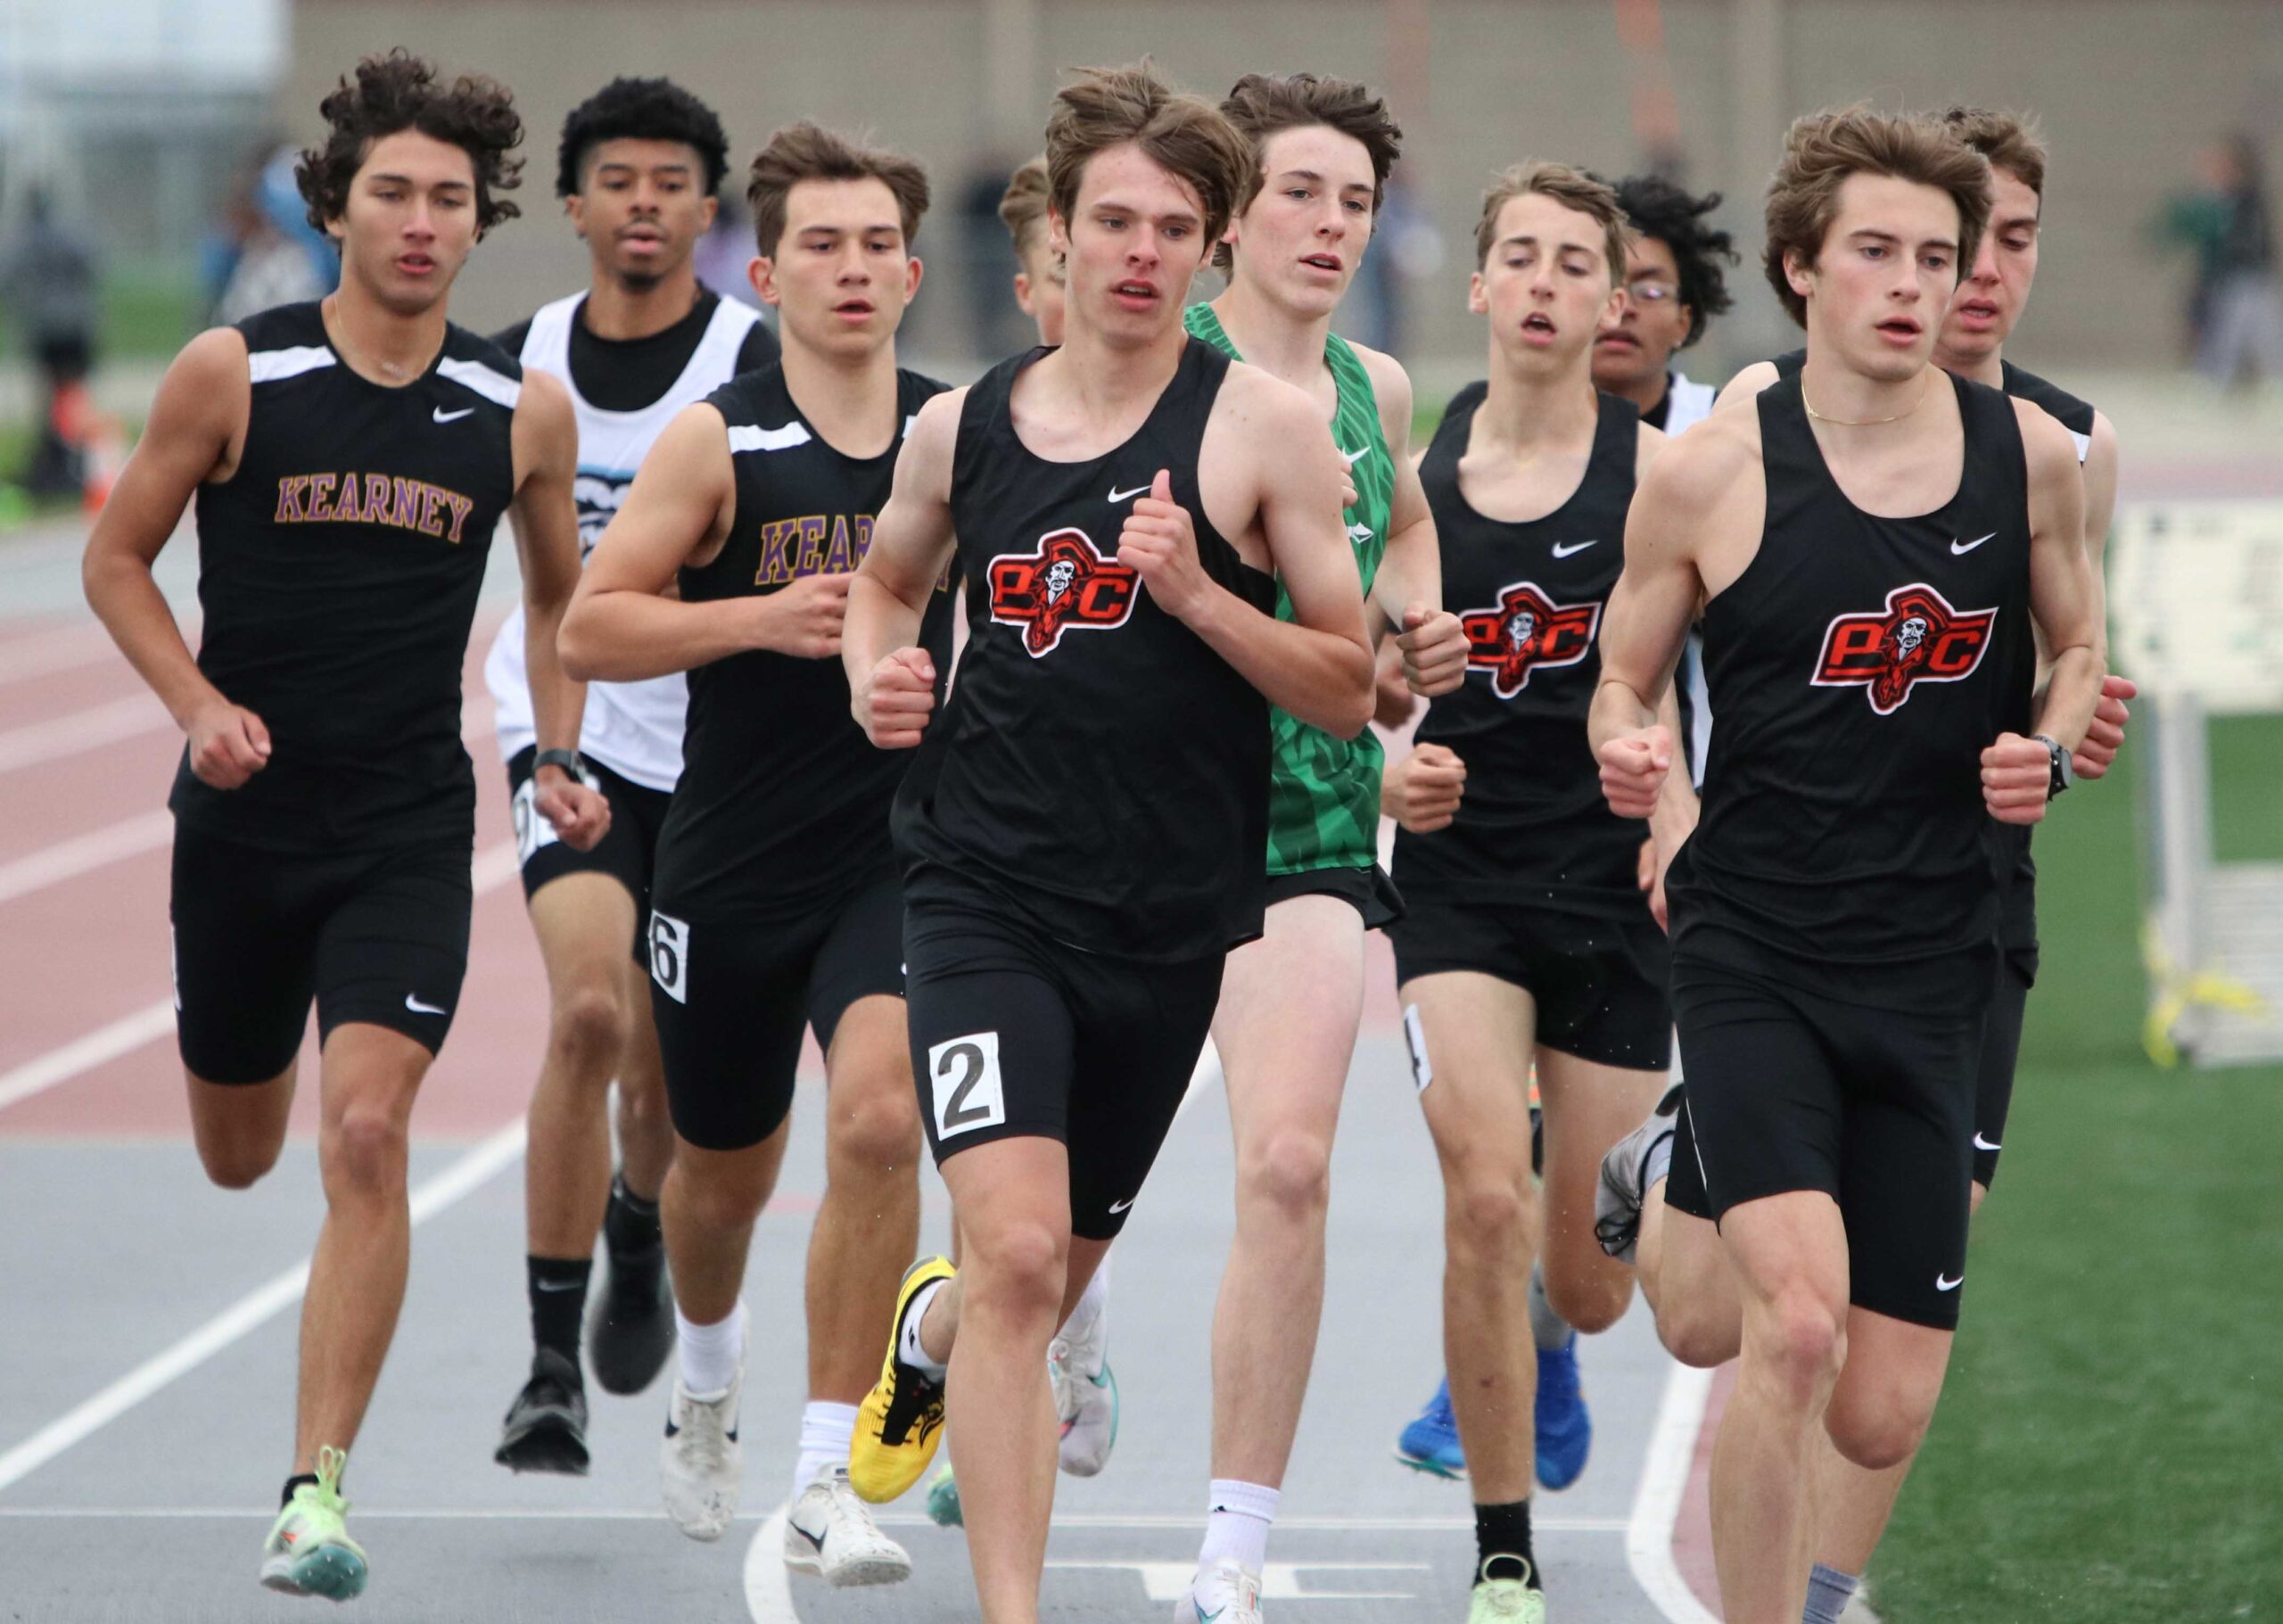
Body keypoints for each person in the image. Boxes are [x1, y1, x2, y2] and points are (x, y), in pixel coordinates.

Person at [837, 62, 1373, 1624]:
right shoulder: (962, 428)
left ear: (1212, 253)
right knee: (1015, 1257)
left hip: (1168, 920)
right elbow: (886, 583)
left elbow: (1347, 688)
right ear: (1058, 235)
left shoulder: (1265, 432)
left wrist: (1200, 596)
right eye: (1116, 223)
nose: (1143, 254)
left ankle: (930, 1338)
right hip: (981, 893)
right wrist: (877, 670)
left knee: (1039, 1276)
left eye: (1175, 230)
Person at [79, 52, 598, 1600]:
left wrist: (556, 750)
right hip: (243, 828)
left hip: (404, 828)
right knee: (241, 1155)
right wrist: (195, 706)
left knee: (369, 1133)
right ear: (337, 207)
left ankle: (314, 1493)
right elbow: (116, 560)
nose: (422, 222)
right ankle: (239, 1076)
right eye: (394, 194)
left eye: (450, 199)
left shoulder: (521, 409)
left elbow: (558, 602)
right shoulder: (233, 375)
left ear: (481, 219)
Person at [1604, 106, 2132, 1624]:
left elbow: (2079, 645)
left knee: (1880, 1411)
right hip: (1757, 947)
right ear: (1801, 266)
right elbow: (1624, 679)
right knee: (1790, 1327)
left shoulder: (2029, 460)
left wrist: (2050, 740)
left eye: (1937, 257)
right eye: (1879, 253)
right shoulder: (1709, 471)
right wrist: (1640, 769)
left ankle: (1668, 1160)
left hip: (1941, 957)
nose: (1915, 285)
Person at [557, 120, 940, 1584]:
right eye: (821, 246)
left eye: (877, 246)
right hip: (729, 862)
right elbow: (592, 625)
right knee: (717, 1177)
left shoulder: (957, 435)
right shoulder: (720, 436)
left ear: (911, 274)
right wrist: (758, 619)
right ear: (768, 276)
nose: (853, 270)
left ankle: (826, 1472)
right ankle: (707, 1389)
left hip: (898, 852)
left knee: (880, 1121)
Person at [1395, 166, 1744, 1491]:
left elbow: (1743, 682)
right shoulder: (1416, 484)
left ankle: (1613, 1209)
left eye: (1575, 264)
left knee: (1593, 1292)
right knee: (1485, 1193)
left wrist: (1682, 818)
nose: (1544, 284)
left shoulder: (1668, 479)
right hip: (1459, 884)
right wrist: (1385, 772)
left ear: (1613, 301)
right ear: (1479, 286)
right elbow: (1346, 687)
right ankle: (1503, 1551)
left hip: (1613, 888)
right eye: (1521, 259)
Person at [1173, 70, 1464, 1624]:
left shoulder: (1379, 387)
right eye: (1300, 191)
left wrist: (1413, 622)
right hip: (1131, 828)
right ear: (1230, 213)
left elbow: (1403, 526)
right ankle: (956, 1341)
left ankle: (1232, 1552)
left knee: (1288, 1167)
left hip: (1313, 825)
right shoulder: (1162, 368)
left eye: (1357, 201)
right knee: (1052, 1228)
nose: (1332, 224)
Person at [483, 77, 778, 1477]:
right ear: (574, 205)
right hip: (569, 729)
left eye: (671, 182)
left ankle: (638, 1222)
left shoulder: (753, 361)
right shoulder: (522, 366)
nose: (645, 203)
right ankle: (549, 1368)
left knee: (660, 1092)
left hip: (715, 755)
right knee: (590, 1010)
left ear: (708, 210)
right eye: (619, 180)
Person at [1591, 173, 1736, 435]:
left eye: (1650, 291)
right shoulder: (1517, 429)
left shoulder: (1728, 431)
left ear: (1684, 320)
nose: (1623, 308)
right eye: (1605, 287)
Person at [0, 187, 100, 498]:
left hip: (47, 328)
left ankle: (57, 454)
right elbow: (93, 266)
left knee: (52, 393)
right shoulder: (71, 234)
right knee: (74, 392)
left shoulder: (27, 239)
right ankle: (75, 453)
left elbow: (7, 276)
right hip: (78, 324)